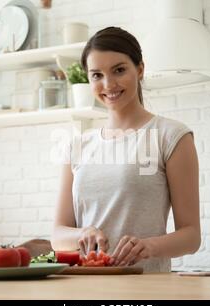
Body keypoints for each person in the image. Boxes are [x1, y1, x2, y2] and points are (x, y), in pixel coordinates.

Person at [50, 26, 200, 273]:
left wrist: (148, 246)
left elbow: (191, 236)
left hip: (145, 289)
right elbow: (58, 235)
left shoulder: (171, 136)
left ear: (140, 70)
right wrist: (83, 234)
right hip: (84, 288)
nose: (108, 84)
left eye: (119, 70)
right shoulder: (77, 146)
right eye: (97, 75)